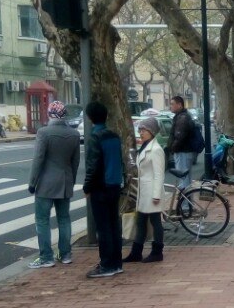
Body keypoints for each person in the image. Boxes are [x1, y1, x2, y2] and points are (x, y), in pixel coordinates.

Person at [27, 100, 81, 268]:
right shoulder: (74, 134)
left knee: (42, 220)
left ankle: (46, 257)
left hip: (45, 183)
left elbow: (38, 160)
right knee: (64, 219)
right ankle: (65, 254)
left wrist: (32, 182)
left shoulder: (44, 133)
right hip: (65, 182)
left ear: (50, 114)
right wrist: (70, 181)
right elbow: (75, 162)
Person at [83, 100, 124, 279]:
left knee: (103, 227)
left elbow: (93, 166)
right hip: (115, 185)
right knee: (114, 225)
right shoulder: (114, 136)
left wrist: (87, 187)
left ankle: (106, 264)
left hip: (100, 188)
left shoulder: (95, 138)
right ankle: (116, 262)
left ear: (90, 118)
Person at [124, 116, 165, 264]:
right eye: (140, 130)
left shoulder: (155, 150)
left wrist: (156, 195)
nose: (141, 133)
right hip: (144, 191)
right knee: (141, 221)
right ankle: (136, 252)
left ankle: (157, 251)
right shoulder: (145, 147)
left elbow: (159, 174)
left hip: (151, 192)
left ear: (152, 132)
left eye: (144, 130)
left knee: (155, 221)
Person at [167, 95, 195, 190]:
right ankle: (188, 203)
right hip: (185, 152)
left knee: (184, 181)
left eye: (172, 104)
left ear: (179, 105)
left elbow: (179, 137)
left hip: (183, 152)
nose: (170, 106)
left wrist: (172, 148)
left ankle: (185, 205)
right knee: (186, 180)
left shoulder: (182, 118)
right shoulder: (182, 116)